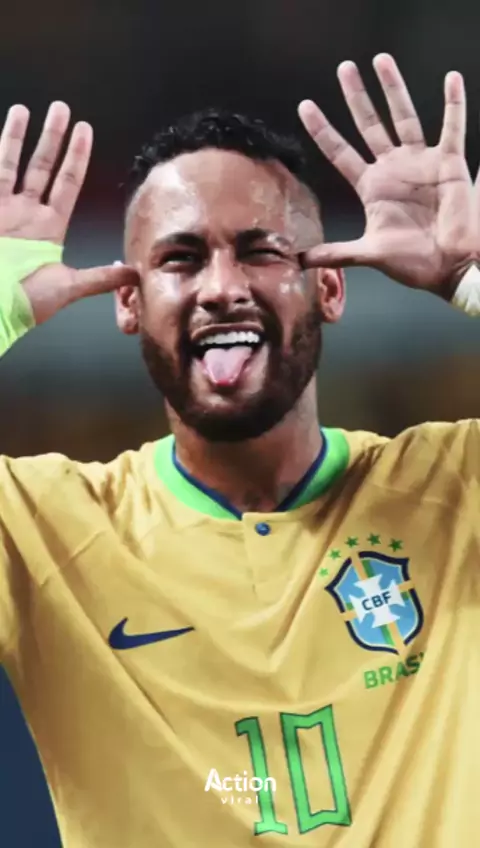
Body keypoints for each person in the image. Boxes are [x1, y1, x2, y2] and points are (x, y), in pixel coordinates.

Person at [0, 52, 478, 847]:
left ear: (329, 287)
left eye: (260, 251)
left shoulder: (455, 489)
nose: (222, 287)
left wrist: (469, 276)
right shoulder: (40, 527)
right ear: (129, 302)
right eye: (181, 258)